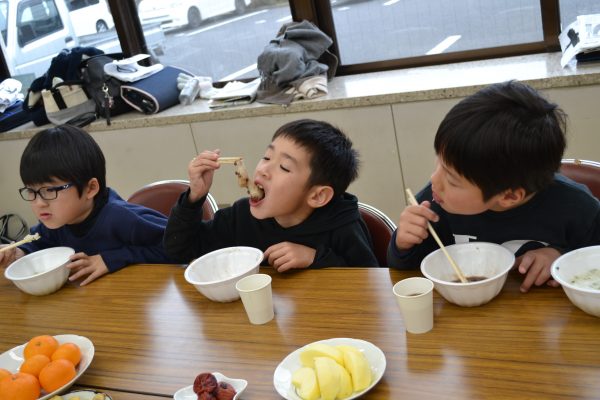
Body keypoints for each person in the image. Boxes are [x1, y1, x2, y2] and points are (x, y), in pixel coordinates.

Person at [387, 80, 600, 292]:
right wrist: (403, 243)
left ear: (509, 197)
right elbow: (405, 271)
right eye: (439, 163)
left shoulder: (578, 209)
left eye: (452, 180)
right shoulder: (435, 203)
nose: (435, 179)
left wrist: (562, 258)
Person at [164, 119, 379, 270]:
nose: (263, 170)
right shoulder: (240, 216)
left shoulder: (342, 226)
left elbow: (369, 283)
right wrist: (195, 197)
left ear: (317, 196)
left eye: (284, 167)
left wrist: (315, 258)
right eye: (267, 157)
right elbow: (180, 251)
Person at [0, 125, 173, 285]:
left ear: (90, 188)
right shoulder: (55, 222)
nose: (39, 203)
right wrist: (18, 253)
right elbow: (38, 244)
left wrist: (112, 258)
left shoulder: (122, 218)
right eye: (31, 191)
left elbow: (178, 248)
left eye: (50, 190)